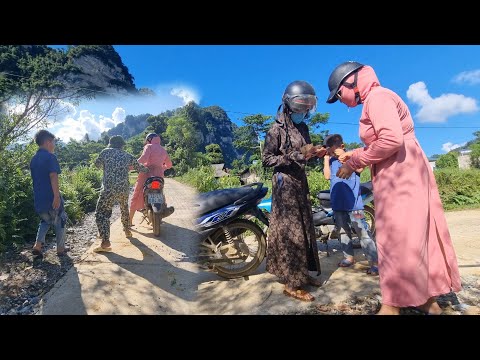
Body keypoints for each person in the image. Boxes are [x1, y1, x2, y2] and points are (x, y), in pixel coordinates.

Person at [325, 61, 461, 315]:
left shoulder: (377, 98)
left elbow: (390, 139)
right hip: (403, 169)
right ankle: (425, 300)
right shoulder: (378, 98)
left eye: (339, 95)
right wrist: (354, 154)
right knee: (412, 236)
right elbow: (386, 140)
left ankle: (392, 306)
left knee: (396, 238)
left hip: (400, 174)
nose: (341, 101)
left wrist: (355, 161)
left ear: (351, 83)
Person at [262, 80, 327, 302]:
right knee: (292, 234)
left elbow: (304, 150)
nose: (304, 111)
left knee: (306, 227)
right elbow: (267, 159)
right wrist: (291, 156)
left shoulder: (303, 128)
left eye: (308, 107)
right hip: (285, 185)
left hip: (300, 182)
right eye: (301, 106)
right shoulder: (275, 130)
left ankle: (303, 274)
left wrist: (313, 152)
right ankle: (292, 284)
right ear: (288, 105)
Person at [323, 134, 378, 275]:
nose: (331, 152)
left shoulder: (351, 158)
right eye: (329, 150)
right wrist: (326, 158)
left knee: (362, 232)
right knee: (342, 231)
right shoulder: (331, 160)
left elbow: (361, 167)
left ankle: (374, 262)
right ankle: (349, 257)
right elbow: (327, 176)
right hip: (337, 203)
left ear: (342, 147)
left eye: (333, 150)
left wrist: (348, 158)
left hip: (354, 204)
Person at [94, 135, 149, 252]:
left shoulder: (105, 152)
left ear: (110, 143)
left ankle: (105, 241)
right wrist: (149, 169)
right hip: (123, 188)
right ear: (122, 144)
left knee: (102, 213)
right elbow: (140, 168)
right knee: (124, 208)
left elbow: (97, 164)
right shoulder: (127, 155)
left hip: (109, 189)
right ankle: (127, 231)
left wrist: (105, 163)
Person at [30, 130, 68, 256]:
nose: (54, 145)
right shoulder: (50, 157)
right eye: (54, 142)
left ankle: (38, 245)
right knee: (60, 219)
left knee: (46, 221)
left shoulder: (33, 159)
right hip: (51, 197)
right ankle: (60, 249)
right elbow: (53, 176)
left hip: (39, 198)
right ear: (48, 142)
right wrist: (56, 196)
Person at [129, 133, 174, 227]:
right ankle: (163, 210)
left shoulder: (148, 146)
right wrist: (162, 167)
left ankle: (130, 220)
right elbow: (169, 165)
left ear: (149, 140)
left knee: (137, 194)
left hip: (147, 173)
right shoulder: (163, 149)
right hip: (159, 176)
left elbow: (143, 159)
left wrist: (131, 166)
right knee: (160, 192)